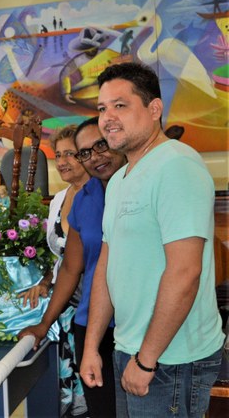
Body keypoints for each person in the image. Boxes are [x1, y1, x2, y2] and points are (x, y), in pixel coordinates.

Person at [81, 62, 224, 417]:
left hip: (170, 359)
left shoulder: (176, 165)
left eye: (120, 105)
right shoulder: (119, 180)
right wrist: (92, 346)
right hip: (129, 348)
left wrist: (146, 360)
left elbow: (185, 272)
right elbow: (107, 266)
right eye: (102, 108)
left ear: (154, 108)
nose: (107, 118)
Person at [16, 125, 90, 417]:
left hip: (92, 303)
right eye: (58, 155)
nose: (62, 162)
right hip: (63, 302)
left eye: (70, 154)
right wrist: (45, 282)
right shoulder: (58, 199)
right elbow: (59, 257)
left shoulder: (102, 195)